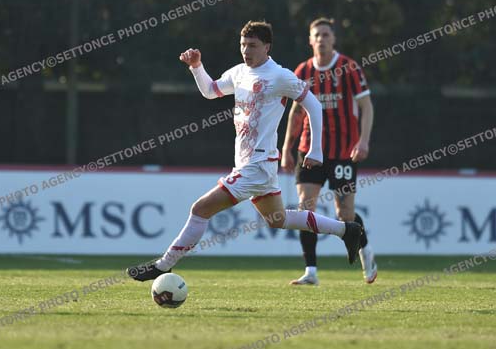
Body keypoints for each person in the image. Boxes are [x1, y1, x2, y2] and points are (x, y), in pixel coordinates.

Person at [127, 21, 365, 282]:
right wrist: (196, 67)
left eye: (252, 45)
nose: (245, 50)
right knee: (278, 220)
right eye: (242, 44)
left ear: (267, 47)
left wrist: (316, 150)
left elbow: (314, 105)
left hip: (257, 165)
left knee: (200, 209)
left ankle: (163, 265)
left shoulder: (279, 75)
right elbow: (210, 91)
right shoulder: (239, 72)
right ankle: (347, 230)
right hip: (251, 164)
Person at [282, 17, 376, 286]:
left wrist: (364, 141)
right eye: (317, 35)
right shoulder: (302, 71)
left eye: (326, 34)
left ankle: (365, 250)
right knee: (305, 208)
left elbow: (367, 106)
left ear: (333, 39)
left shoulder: (348, 67)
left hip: (343, 151)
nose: (321, 39)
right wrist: (287, 147)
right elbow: (296, 112)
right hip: (309, 150)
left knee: (344, 214)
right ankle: (310, 271)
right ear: (310, 40)